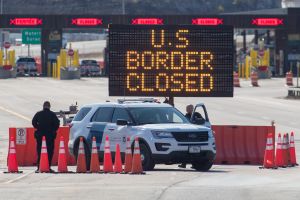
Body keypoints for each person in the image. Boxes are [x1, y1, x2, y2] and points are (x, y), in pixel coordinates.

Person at [32, 101, 60, 173]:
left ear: (43, 106)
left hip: (40, 136)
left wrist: (38, 127)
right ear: (49, 106)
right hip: (50, 136)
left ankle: (39, 167)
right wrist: (52, 130)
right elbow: (57, 124)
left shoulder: (38, 114)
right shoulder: (52, 114)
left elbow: (33, 122)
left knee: (39, 151)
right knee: (49, 151)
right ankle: (48, 166)